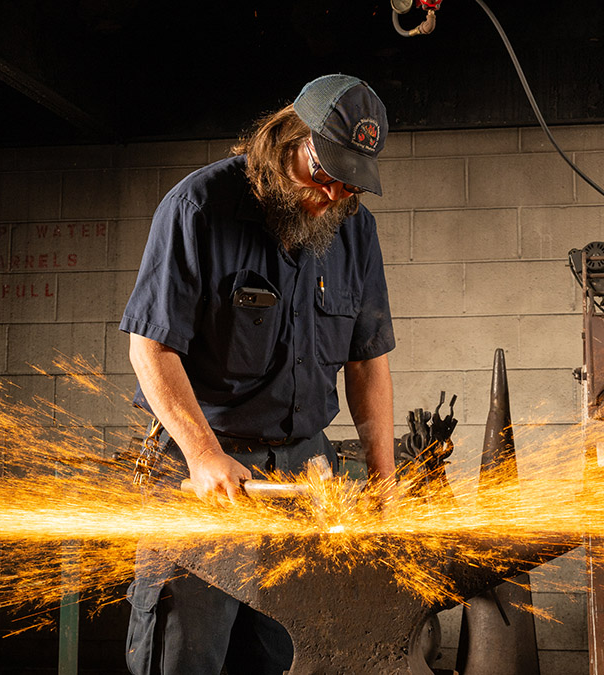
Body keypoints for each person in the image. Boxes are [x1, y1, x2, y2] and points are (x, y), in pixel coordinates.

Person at [119, 74, 396, 675]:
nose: (332, 197)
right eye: (323, 176)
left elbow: (368, 361)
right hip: (207, 474)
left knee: (287, 656)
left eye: (349, 186)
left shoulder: (355, 229)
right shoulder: (199, 207)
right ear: (290, 139)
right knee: (187, 656)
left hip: (306, 476)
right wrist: (202, 455)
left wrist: (384, 478)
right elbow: (151, 349)